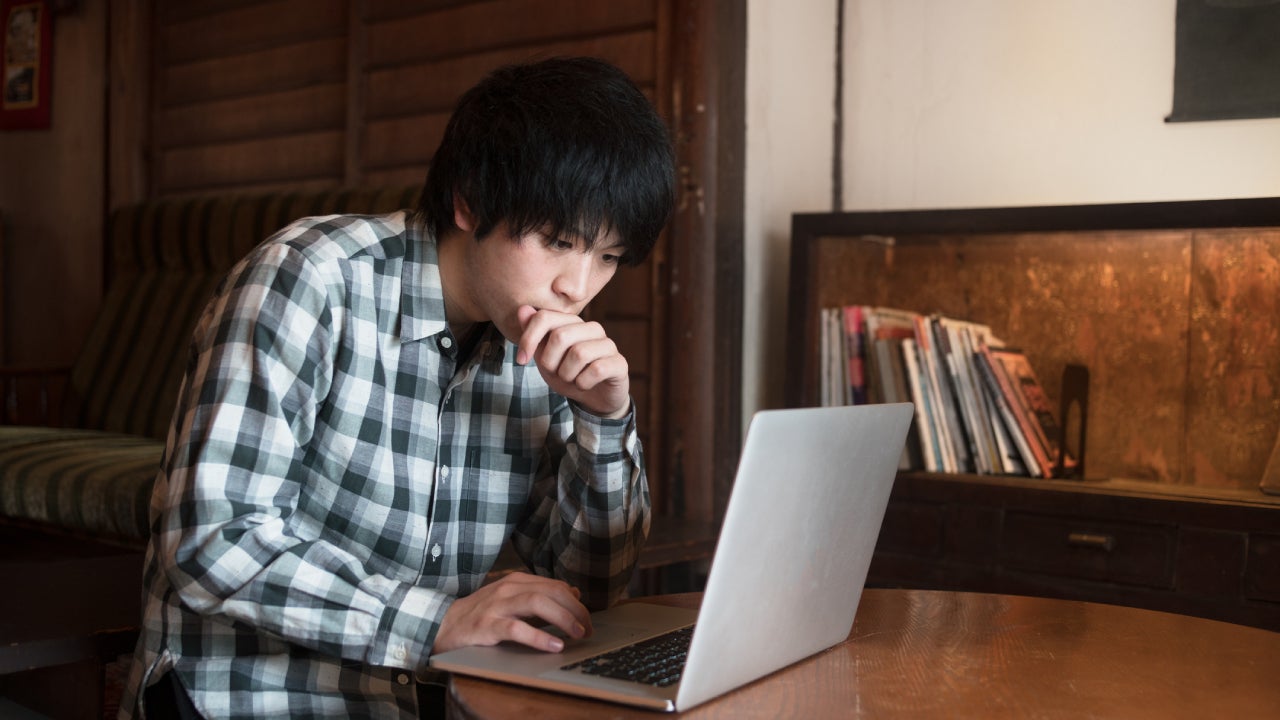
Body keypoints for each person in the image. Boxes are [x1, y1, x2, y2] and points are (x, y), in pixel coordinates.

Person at [120, 56, 676, 719]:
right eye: (558, 240)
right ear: (470, 199)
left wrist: (606, 420)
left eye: (608, 256)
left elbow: (587, 589)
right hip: (241, 699)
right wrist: (436, 623)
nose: (578, 287)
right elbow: (212, 540)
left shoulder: (545, 343)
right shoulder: (309, 280)